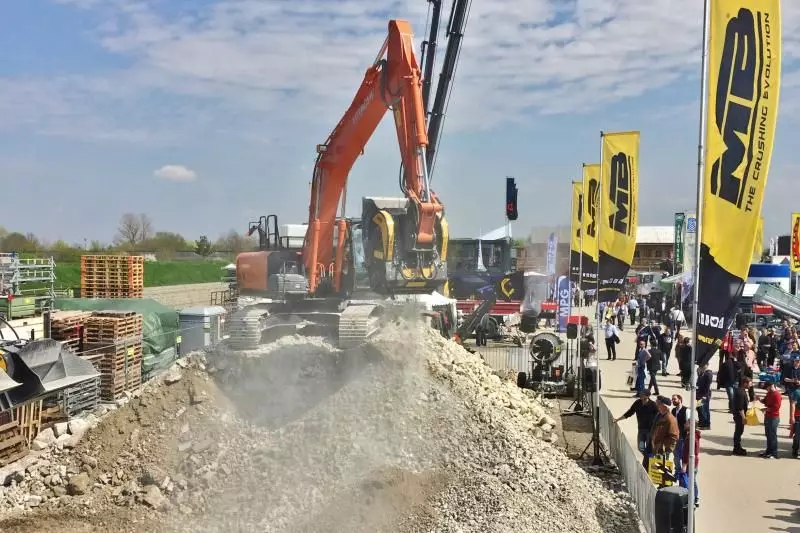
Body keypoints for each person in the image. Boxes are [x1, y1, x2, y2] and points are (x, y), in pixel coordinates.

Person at [614, 390, 658, 463]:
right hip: (641, 430)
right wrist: (618, 419)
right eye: (640, 394)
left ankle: (649, 463)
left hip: (650, 431)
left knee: (649, 448)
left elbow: (658, 417)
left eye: (642, 394)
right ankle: (647, 459)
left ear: (647, 396)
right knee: (640, 448)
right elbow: (630, 412)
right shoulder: (637, 403)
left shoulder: (653, 405)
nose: (640, 395)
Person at [679, 410, 701, 508]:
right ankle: (695, 498)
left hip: (690, 463)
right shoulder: (693, 435)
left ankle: (693, 498)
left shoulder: (690, 437)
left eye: (687, 423)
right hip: (693, 463)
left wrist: (684, 465)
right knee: (693, 480)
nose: (684, 424)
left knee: (690, 481)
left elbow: (688, 452)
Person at [757, 381, 782, 459]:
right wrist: (759, 400)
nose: (766, 390)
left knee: (772, 435)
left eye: (767, 388)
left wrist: (766, 409)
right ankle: (768, 451)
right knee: (768, 435)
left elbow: (776, 407)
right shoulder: (769, 393)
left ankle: (774, 453)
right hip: (768, 416)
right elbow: (765, 401)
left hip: (774, 417)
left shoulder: (777, 395)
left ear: (771, 386)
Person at [651, 396, 680, 462]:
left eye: (659, 405)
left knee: (663, 471)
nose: (658, 406)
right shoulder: (662, 416)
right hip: (658, 449)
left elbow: (675, 436)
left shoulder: (670, 419)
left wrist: (663, 446)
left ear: (665, 407)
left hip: (663, 451)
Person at [732, 377, 751, 456]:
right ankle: (736, 448)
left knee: (739, 431)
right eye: (750, 383)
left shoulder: (742, 391)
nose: (751, 385)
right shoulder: (740, 392)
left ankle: (737, 447)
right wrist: (743, 418)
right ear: (745, 383)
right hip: (739, 416)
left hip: (739, 415)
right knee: (738, 432)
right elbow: (740, 408)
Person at [783, 356, 800, 437]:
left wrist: (799, 382)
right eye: (796, 361)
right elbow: (784, 378)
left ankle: (795, 423)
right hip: (791, 389)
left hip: (798, 389)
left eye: (798, 361)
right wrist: (792, 380)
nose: (797, 362)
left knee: (797, 406)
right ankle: (791, 423)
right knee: (792, 406)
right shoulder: (789, 368)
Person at [671, 394, 688, 472]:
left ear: (680, 399)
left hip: (682, 437)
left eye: (675, 399)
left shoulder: (686, 410)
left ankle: (684, 470)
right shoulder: (673, 410)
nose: (673, 401)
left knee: (682, 455)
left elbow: (688, 423)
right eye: (672, 399)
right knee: (675, 455)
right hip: (674, 436)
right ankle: (678, 470)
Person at [696, 363, 714, 430]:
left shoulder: (708, 374)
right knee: (699, 408)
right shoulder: (702, 373)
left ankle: (705, 424)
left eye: (702, 365)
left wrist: (704, 396)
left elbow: (707, 386)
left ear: (706, 365)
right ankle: (701, 422)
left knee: (703, 409)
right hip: (699, 394)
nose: (701, 367)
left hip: (704, 395)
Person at [791, 388, 800, 459]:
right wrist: (792, 416)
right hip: (798, 416)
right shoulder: (797, 392)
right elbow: (793, 404)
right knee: (797, 436)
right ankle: (795, 449)